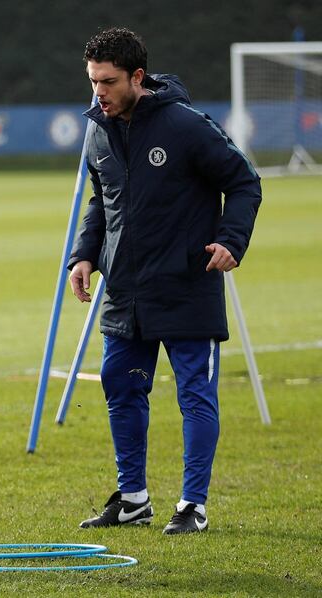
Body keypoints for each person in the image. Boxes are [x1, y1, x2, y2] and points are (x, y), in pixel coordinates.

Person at [69, 28, 261, 534]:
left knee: (194, 394)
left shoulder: (186, 125)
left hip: (186, 285)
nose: (99, 93)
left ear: (137, 77)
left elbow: (243, 182)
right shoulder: (97, 127)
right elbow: (102, 200)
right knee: (120, 388)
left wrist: (231, 241)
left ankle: (193, 505)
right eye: (92, 83)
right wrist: (83, 256)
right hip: (126, 292)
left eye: (108, 82)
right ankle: (132, 499)